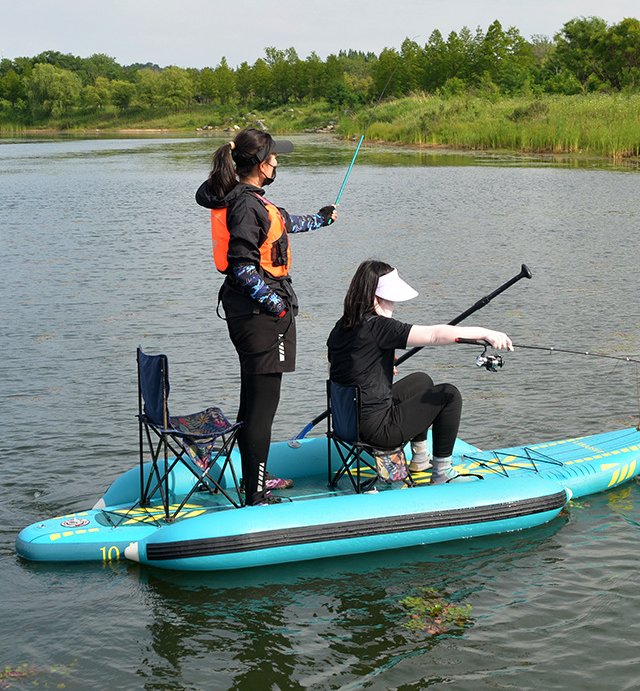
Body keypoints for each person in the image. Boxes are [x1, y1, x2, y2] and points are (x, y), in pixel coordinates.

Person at [196, 129, 337, 505]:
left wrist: (321, 219)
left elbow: (284, 223)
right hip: (260, 318)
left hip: (253, 316)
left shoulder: (248, 199)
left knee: (253, 403)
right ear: (261, 165)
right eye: (274, 158)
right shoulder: (245, 205)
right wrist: (276, 306)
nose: (277, 163)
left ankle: (253, 480)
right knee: (262, 409)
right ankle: (256, 495)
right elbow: (241, 267)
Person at [326, 260, 513, 485]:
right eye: (390, 298)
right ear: (376, 298)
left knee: (421, 381)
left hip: (346, 424)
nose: (393, 304)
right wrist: (485, 333)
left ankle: (420, 460)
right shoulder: (380, 326)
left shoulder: (342, 326)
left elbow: (338, 370)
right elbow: (434, 335)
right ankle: (442, 472)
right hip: (377, 430)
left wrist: (376, 366)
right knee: (448, 395)